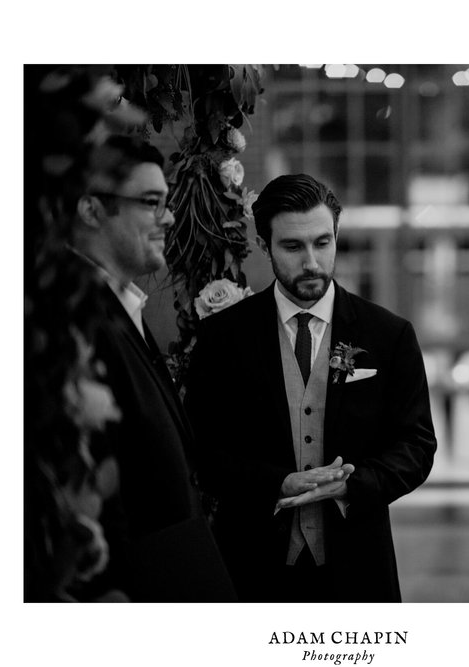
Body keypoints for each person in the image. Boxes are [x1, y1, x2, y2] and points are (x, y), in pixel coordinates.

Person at [186, 173, 437, 602]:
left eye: (323, 243)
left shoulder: (389, 336)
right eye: (292, 246)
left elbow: (416, 445)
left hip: (359, 568)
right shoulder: (222, 338)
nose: (311, 262)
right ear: (265, 246)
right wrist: (276, 482)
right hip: (251, 568)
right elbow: (202, 452)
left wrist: (352, 486)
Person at [69, 134, 236, 601]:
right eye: (150, 202)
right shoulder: (73, 323)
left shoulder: (122, 308)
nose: (169, 216)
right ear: (90, 209)